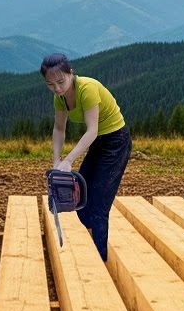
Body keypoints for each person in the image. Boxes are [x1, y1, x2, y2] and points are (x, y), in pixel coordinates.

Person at [41, 52, 131, 262]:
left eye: (61, 81)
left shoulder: (87, 88)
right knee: (81, 198)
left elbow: (91, 130)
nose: (57, 88)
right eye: (50, 84)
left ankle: (100, 261)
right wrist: (56, 161)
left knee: (99, 205)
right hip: (98, 142)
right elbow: (59, 128)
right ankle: (92, 246)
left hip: (116, 142)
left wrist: (69, 160)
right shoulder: (59, 98)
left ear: (71, 73)